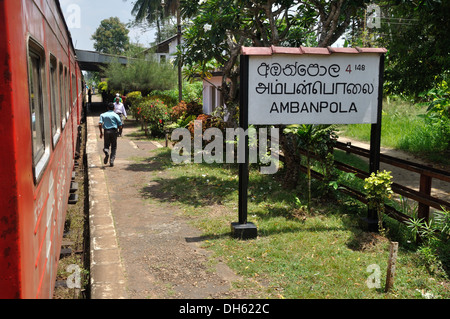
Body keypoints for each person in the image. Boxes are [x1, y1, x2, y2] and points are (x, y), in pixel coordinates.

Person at [99, 103, 123, 167]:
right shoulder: (116, 115)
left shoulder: (102, 115)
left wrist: (101, 133)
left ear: (107, 108)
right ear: (114, 108)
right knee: (114, 146)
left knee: (106, 145)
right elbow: (120, 125)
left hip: (106, 131)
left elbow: (100, 124)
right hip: (114, 131)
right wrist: (119, 132)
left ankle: (106, 151)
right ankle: (112, 160)